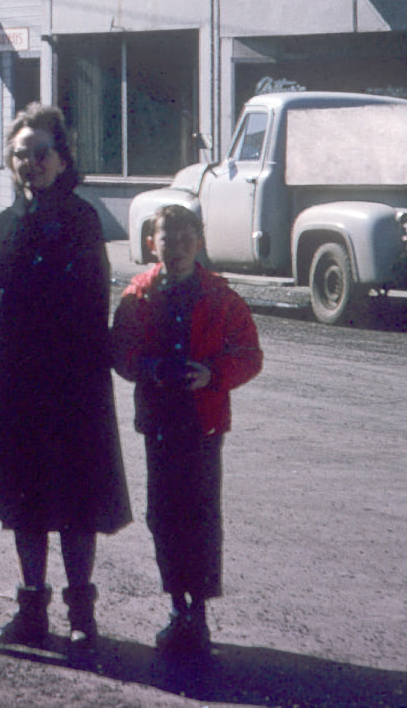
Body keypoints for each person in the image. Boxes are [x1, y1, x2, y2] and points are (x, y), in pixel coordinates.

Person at [0, 103, 131, 656]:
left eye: (40, 154)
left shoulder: (81, 219)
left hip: (71, 377)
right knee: (24, 498)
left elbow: (86, 296)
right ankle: (31, 608)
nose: (29, 163)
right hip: (14, 377)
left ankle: (83, 613)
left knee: (76, 500)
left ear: (61, 159)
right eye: (20, 155)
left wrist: (24, 304)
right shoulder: (4, 223)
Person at [112, 203, 263, 660]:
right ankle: (176, 605)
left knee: (200, 515)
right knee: (162, 514)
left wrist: (213, 374)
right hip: (159, 421)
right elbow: (120, 352)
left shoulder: (221, 297)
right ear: (150, 243)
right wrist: (153, 368)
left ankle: (198, 612)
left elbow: (250, 354)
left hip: (203, 422)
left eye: (185, 238)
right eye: (166, 237)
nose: (175, 247)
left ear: (199, 242)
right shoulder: (136, 296)